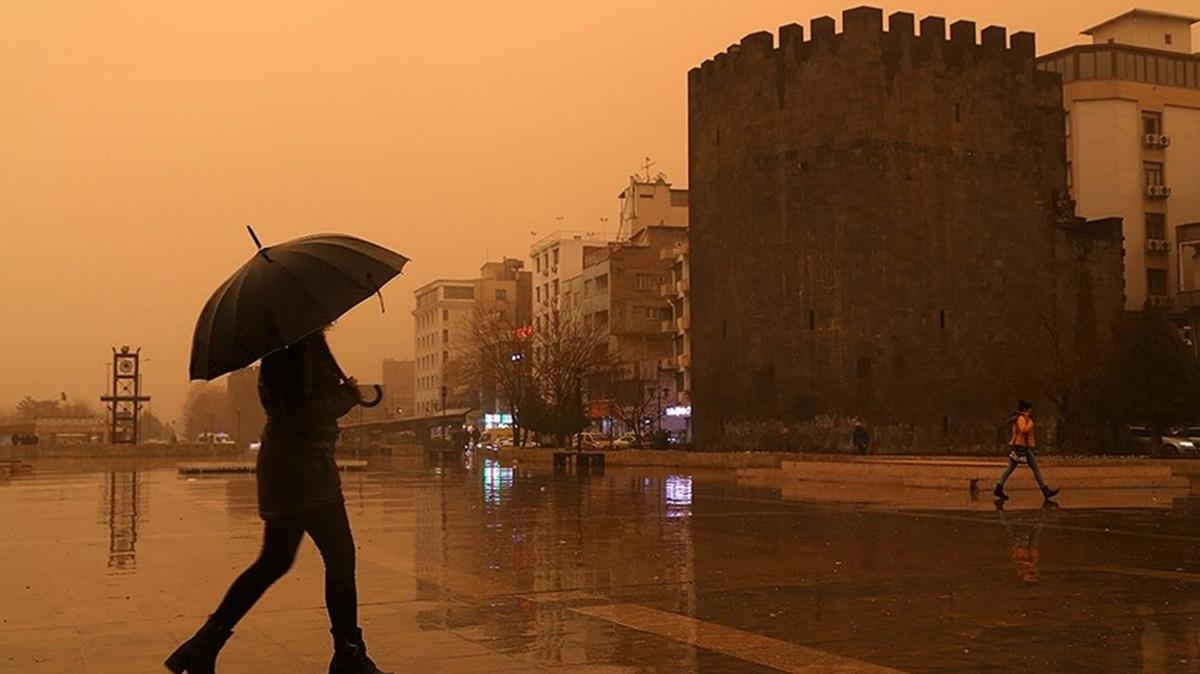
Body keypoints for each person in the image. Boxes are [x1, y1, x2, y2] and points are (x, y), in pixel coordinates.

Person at [166, 328, 390, 674]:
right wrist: (344, 399)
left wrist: (338, 390)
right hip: (305, 471)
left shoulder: (292, 344)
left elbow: (300, 403)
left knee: (274, 561)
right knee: (338, 558)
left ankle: (204, 644)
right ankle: (347, 654)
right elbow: (302, 412)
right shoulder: (297, 346)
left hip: (293, 467)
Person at [994, 400, 1059, 502]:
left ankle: (999, 488)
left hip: (1020, 446)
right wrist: (1031, 424)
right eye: (1029, 410)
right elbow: (1023, 429)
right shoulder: (1021, 418)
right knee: (1035, 468)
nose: (1030, 412)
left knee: (1010, 468)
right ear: (1025, 409)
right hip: (1022, 447)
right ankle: (1045, 490)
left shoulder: (1020, 417)